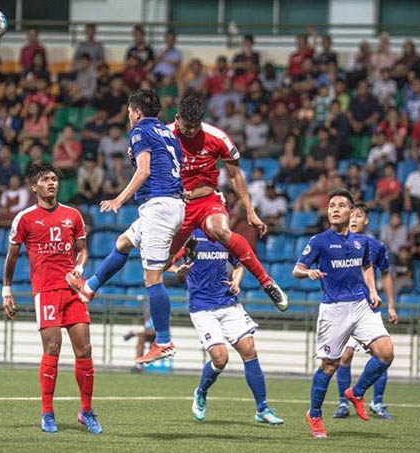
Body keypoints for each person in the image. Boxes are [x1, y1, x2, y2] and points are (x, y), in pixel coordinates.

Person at [66, 90, 185, 364]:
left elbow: (143, 171)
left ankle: (164, 341)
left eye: (130, 111)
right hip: (170, 205)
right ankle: (89, 289)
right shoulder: (168, 134)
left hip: (159, 207)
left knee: (152, 279)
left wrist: (119, 199)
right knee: (123, 243)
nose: (129, 116)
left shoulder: (140, 131)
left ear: (137, 112)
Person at [165, 94, 289, 310]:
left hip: (206, 201)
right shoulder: (164, 135)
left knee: (219, 230)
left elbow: (235, 175)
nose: (191, 131)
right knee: (161, 263)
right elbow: (144, 163)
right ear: (177, 118)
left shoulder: (218, 138)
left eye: (195, 127)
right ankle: (160, 336)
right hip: (177, 206)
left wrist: (250, 211)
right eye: (186, 127)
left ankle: (267, 282)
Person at [2, 162, 101, 434]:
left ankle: (86, 411)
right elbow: (11, 256)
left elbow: (83, 251)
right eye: (45, 179)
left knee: (85, 350)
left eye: (54, 179)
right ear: (35, 187)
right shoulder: (25, 218)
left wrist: (79, 269)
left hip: (72, 292)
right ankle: (47, 412)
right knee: (53, 349)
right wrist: (7, 290)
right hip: (45, 292)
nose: (52, 183)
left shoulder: (73, 215)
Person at [294, 188, 394, 438]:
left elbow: (367, 265)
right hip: (334, 310)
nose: (335, 209)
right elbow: (296, 269)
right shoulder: (319, 241)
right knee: (330, 366)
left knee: (386, 353)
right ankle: (314, 414)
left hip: (360, 305)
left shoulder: (362, 242)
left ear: (351, 212)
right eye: (331, 206)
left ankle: (356, 392)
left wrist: (372, 290)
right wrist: (309, 272)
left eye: (340, 205)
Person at [169, 229, 284, 425]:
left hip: (228, 303)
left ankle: (262, 409)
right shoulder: (191, 237)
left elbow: (239, 266)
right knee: (221, 359)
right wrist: (177, 270)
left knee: (249, 350)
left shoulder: (227, 238)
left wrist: (236, 282)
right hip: (202, 308)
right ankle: (201, 392)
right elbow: (166, 262)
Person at [333, 204, 398, 420]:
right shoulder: (335, 242)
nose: (353, 219)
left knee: (382, 353)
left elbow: (386, 274)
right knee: (345, 356)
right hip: (343, 307)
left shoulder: (376, 246)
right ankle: (344, 402)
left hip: (367, 307)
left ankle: (377, 402)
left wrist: (391, 305)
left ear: (366, 221)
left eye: (358, 216)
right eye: (350, 215)